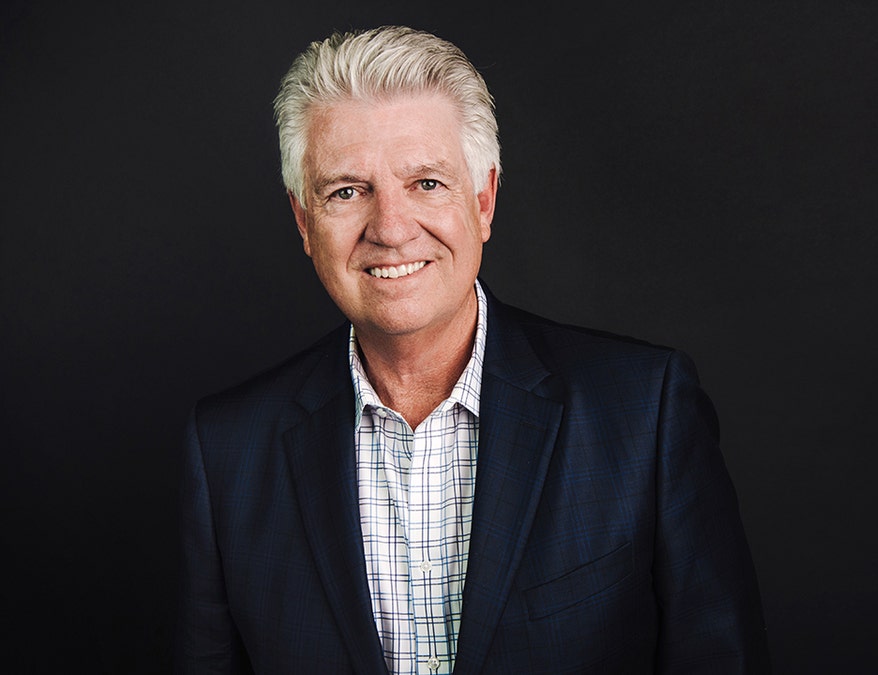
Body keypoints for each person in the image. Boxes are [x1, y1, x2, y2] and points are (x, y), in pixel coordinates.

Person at [175, 25, 768, 674]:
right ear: (304, 222)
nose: (392, 228)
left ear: (482, 200)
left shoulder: (643, 413)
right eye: (347, 190)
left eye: (427, 183)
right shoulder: (226, 450)